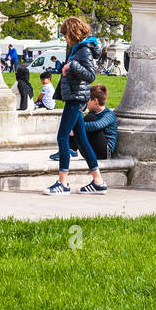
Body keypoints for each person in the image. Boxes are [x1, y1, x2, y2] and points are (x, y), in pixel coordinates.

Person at [44, 17, 109, 194]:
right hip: (74, 96)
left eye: (65, 34)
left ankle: (63, 183)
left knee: (62, 137)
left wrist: (72, 65)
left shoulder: (83, 51)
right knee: (81, 140)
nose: (64, 37)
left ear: (72, 32)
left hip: (75, 98)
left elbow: (90, 75)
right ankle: (98, 181)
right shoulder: (79, 49)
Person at [67, 84, 118, 161]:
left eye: (87, 100)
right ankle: (68, 150)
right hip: (90, 150)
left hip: (104, 152)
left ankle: (71, 150)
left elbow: (97, 125)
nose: (85, 103)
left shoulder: (109, 114)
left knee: (89, 118)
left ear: (95, 101)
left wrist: (76, 129)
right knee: (79, 118)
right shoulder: (92, 113)